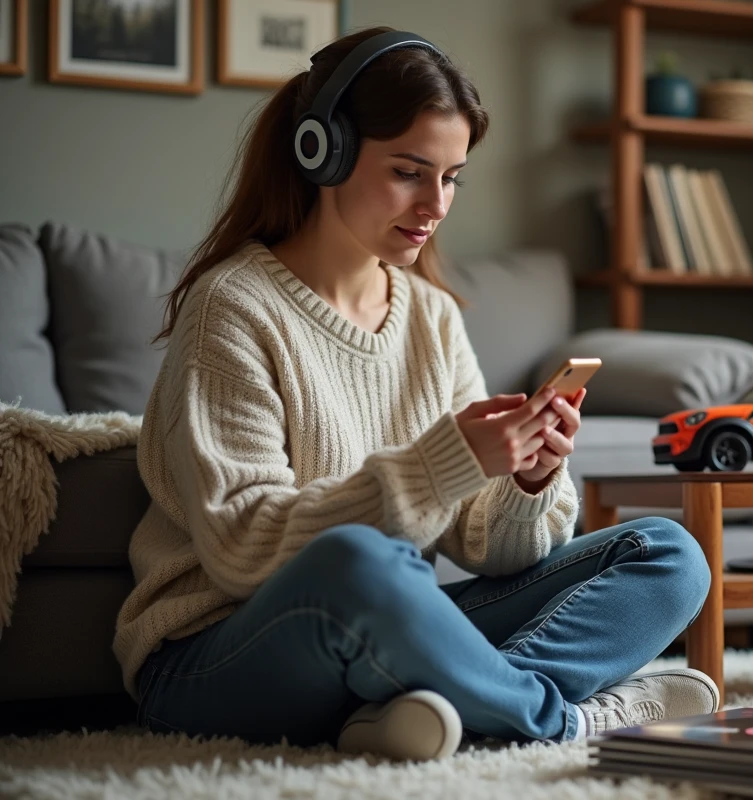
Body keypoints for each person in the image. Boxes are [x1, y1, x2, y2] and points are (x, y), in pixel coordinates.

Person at [113, 26, 717, 762]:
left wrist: (524, 480)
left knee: (665, 552)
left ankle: (428, 705)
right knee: (365, 563)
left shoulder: (429, 315)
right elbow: (243, 549)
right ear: (322, 151)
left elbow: (485, 549)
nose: (435, 203)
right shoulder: (232, 308)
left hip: (381, 630)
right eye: (409, 171)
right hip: (212, 657)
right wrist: (443, 463)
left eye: (453, 176)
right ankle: (561, 718)